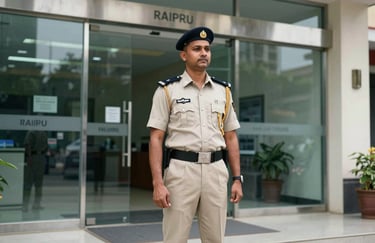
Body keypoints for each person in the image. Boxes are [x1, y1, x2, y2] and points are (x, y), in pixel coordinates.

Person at [147, 26, 243, 243]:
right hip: (181, 172)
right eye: (197, 48)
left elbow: (231, 136)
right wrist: (157, 183)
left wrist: (237, 179)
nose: (203, 53)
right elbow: (156, 138)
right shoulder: (167, 90)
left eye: (207, 49)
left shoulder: (223, 91)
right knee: (175, 237)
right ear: (184, 54)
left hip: (216, 171)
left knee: (215, 238)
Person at [23, 130, 48, 212]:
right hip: (35, 157)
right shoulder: (33, 132)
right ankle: (26, 205)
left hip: (38, 157)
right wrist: (29, 157)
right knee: (30, 182)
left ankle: (35, 204)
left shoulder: (38, 132)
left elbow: (28, 145)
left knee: (37, 182)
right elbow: (28, 145)